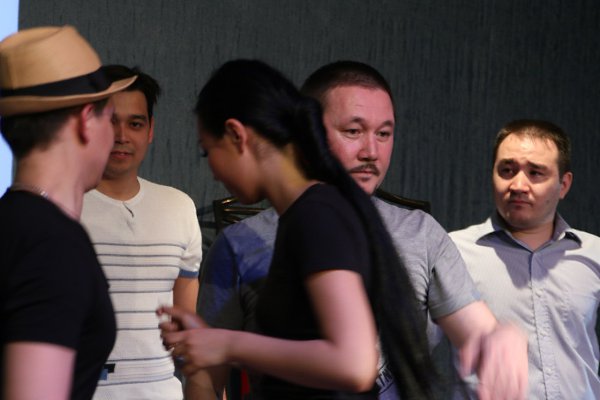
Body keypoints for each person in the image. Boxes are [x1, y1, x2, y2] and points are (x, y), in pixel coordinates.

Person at [195, 61, 528, 400]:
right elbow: (206, 377)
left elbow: (477, 332)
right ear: (310, 130)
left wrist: (499, 338)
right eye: (353, 131)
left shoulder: (418, 232)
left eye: (383, 134)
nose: (371, 152)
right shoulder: (243, 242)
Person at [159, 59, 439, 400]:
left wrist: (229, 344)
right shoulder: (307, 214)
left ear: (236, 135)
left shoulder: (316, 215)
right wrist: (209, 341)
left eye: (208, 152)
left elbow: (354, 363)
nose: (214, 171)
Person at [0, 26, 136, 400]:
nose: (115, 136)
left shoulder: (14, 224)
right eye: (110, 118)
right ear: (85, 120)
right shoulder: (52, 244)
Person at [450, 119, 600, 399]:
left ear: (564, 184)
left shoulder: (594, 253)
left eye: (535, 173)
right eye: (507, 171)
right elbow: (408, 345)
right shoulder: (452, 252)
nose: (518, 184)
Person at [79, 65, 203, 399]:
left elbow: (186, 330)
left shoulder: (179, 206)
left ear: (150, 130)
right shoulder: (61, 208)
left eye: (135, 123)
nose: (122, 135)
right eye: (110, 121)